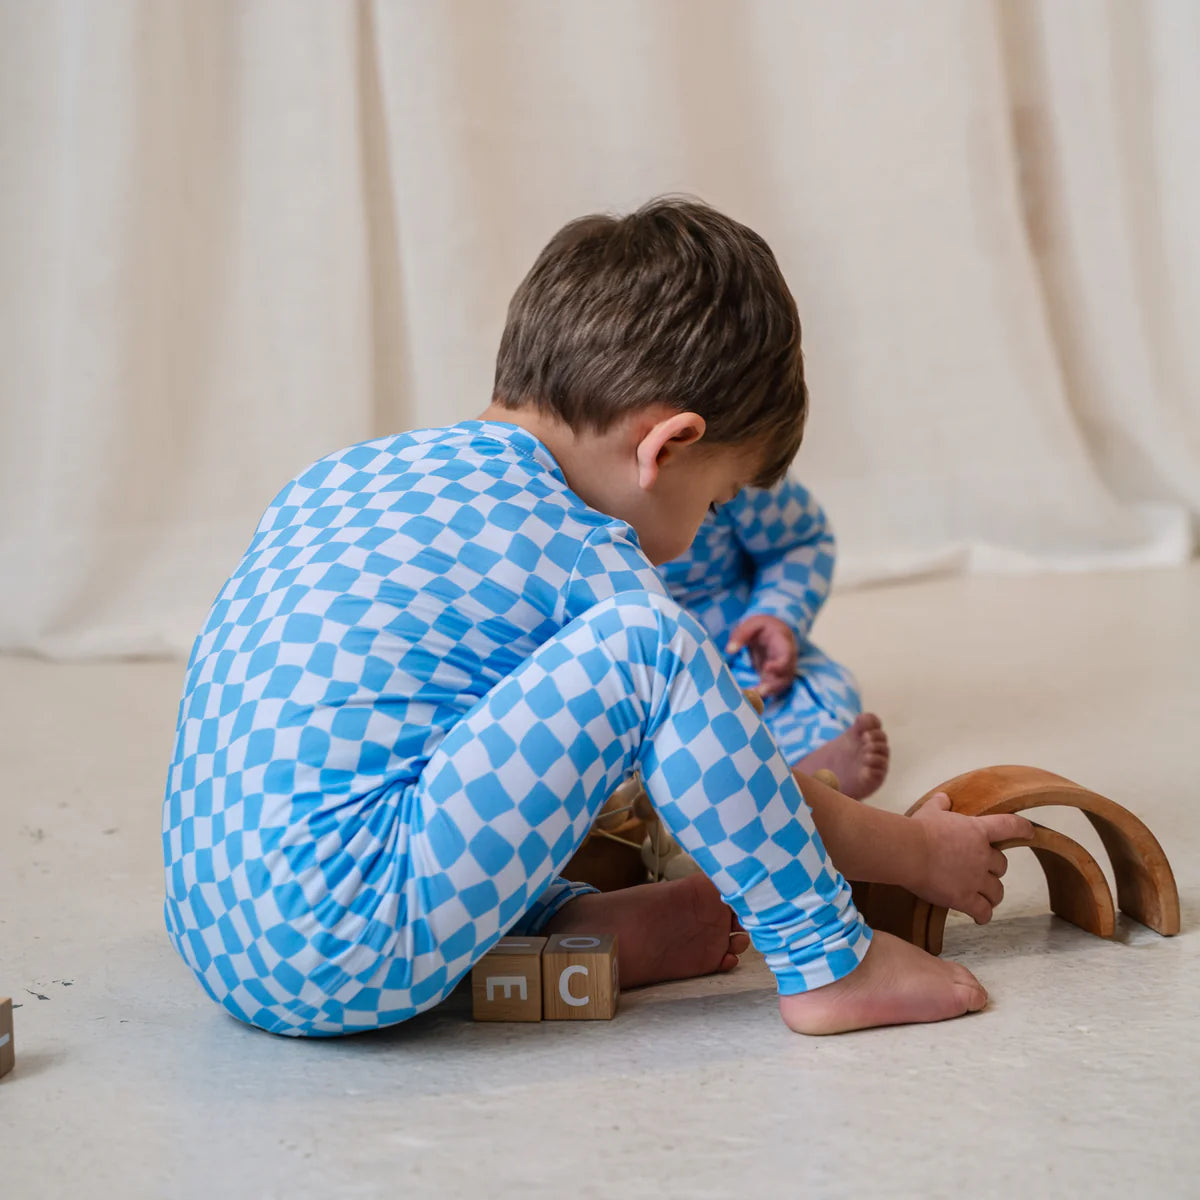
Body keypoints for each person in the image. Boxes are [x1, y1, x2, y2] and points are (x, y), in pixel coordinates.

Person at [163, 197, 1030, 1039]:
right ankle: (831, 965)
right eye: (719, 501)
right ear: (667, 448)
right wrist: (916, 854)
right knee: (654, 653)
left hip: (213, 929)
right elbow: (731, 761)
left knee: (429, 747)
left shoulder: (342, 480)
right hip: (348, 939)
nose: (700, 538)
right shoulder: (579, 546)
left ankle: (575, 930)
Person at [660, 478, 889, 800]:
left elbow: (798, 542)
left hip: (739, 656)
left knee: (819, 687)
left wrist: (775, 614)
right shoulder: (564, 504)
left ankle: (810, 775)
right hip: (616, 679)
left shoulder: (729, 466)